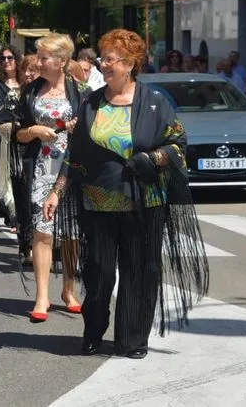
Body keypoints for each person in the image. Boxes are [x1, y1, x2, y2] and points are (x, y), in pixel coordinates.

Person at [42, 29, 209, 359]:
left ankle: (132, 340)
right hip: (97, 201)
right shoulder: (92, 102)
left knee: (140, 270)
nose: (104, 65)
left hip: (145, 202)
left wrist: (152, 159)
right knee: (99, 272)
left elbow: (179, 145)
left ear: (131, 64)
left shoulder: (155, 103)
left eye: (111, 59)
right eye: (102, 59)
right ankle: (93, 331)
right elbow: (74, 154)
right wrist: (56, 192)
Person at [12, 34, 89, 322]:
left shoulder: (81, 92)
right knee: (43, 232)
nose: (38, 62)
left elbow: (89, 132)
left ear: (61, 61)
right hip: (41, 169)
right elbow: (18, 133)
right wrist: (33, 132)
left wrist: (76, 129)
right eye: (39, 56)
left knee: (71, 234)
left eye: (44, 58)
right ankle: (42, 296)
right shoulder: (30, 92)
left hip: (72, 169)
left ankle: (69, 290)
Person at [0, 47, 21, 232]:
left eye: (10, 57)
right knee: (5, 180)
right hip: (2, 142)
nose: (6, 61)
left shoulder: (26, 83)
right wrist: (15, 119)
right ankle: (12, 217)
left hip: (25, 141)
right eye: (3, 58)